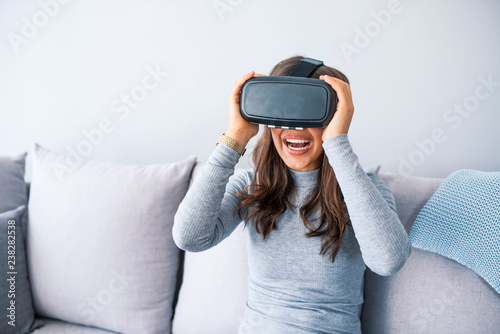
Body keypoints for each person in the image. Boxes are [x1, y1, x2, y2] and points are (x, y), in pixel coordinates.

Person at [173, 55, 412, 334]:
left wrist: (337, 144)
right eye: (285, 111)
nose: (295, 127)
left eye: (309, 112)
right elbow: (189, 237)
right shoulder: (252, 186)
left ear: (336, 118)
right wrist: (234, 138)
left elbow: (388, 261)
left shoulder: (363, 190)